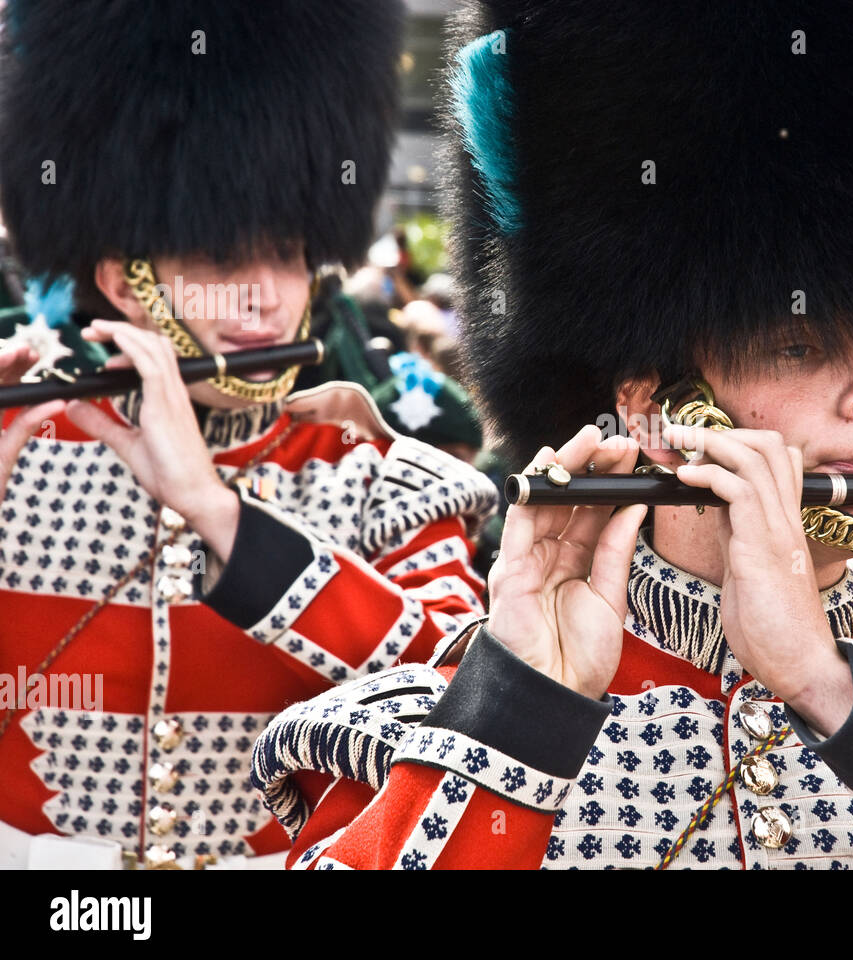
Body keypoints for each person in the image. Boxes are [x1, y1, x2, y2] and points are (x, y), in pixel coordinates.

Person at [251, 1, 853, 870]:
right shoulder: (412, 737)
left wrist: (832, 692)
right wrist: (515, 721)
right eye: (799, 345)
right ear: (648, 402)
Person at [0, 0, 497, 870]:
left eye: (290, 254)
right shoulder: (20, 445)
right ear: (124, 280)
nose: (266, 297)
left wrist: (219, 515)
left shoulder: (388, 476)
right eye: (224, 261)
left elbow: (471, 704)